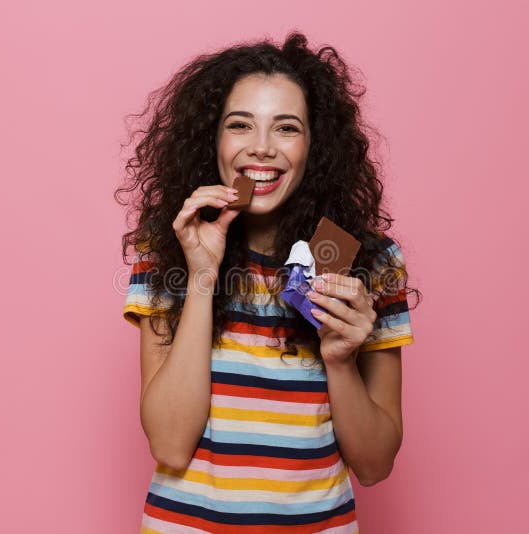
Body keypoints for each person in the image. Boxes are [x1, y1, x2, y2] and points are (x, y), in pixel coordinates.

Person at [115, 31, 420, 533]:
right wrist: (202, 275)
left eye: (286, 128)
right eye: (240, 125)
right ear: (212, 139)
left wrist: (340, 359)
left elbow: (375, 464)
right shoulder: (169, 248)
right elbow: (169, 443)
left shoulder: (365, 260)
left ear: (315, 145)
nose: (261, 149)